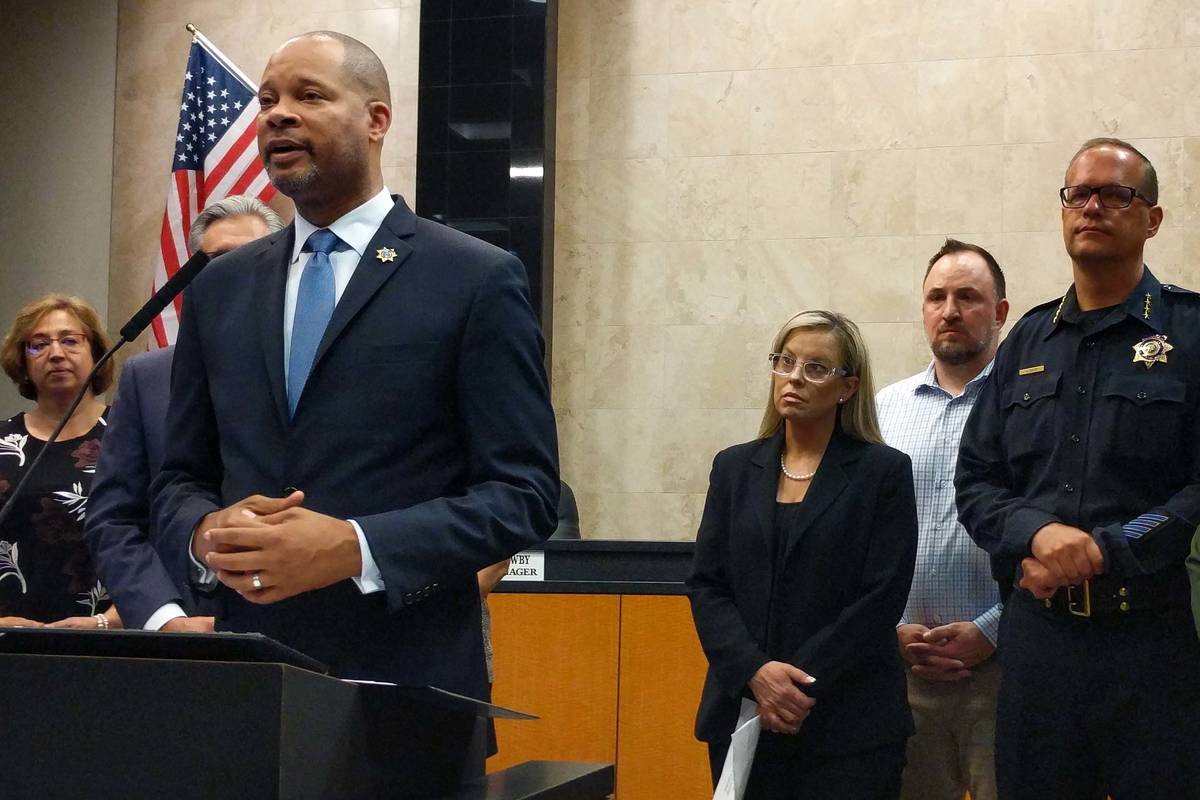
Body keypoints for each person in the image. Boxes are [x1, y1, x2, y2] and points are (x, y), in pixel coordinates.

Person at [151, 28, 558, 730]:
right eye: (269, 99)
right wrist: (204, 531)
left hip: (408, 696)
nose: (278, 113)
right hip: (245, 695)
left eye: (309, 96)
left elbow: (523, 495)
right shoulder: (221, 289)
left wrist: (356, 547)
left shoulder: (474, 278)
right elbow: (177, 479)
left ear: (376, 120)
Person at [956, 137, 1200, 798]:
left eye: (1114, 193)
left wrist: (1105, 550)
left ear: (1152, 217)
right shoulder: (1027, 342)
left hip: (1153, 641)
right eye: (1078, 194)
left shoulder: (1190, 333)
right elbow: (976, 483)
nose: (1091, 206)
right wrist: (1038, 535)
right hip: (1040, 644)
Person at [688, 310, 918, 799]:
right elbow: (708, 585)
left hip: (848, 723)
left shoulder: (883, 472)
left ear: (847, 387)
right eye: (785, 361)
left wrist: (795, 686)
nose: (794, 377)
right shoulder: (733, 468)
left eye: (816, 367)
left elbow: (882, 596)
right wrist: (756, 673)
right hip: (744, 711)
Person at [85, 196, 284, 633]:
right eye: (216, 260)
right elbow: (115, 519)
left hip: (298, 627)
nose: (234, 272)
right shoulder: (148, 378)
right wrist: (164, 618)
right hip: (181, 639)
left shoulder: (312, 366)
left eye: (253, 255)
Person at [876, 239, 1009, 800]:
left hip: (1004, 671)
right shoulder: (883, 408)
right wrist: (888, 630)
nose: (950, 310)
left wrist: (993, 630)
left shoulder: (1027, 404)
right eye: (937, 297)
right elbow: (859, 539)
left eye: (968, 297)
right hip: (902, 674)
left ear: (1001, 313)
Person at [0, 294, 118, 629]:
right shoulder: (3, 442)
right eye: (38, 345)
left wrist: (107, 623)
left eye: (70, 341)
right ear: (22, 360)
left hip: (111, 639)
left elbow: (158, 542)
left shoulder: (129, 437)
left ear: (96, 352)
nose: (55, 353)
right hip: (9, 642)